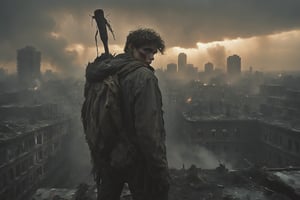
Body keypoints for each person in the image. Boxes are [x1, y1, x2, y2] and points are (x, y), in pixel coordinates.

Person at [85, 28, 169, 200]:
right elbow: (148, 132)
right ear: (130, 47)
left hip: (108, 154)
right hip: (136, 159)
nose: (151, 57)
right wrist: (159, 169)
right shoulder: (143, 77)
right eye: (146, 50)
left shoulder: (107, 70)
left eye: (153, 53)